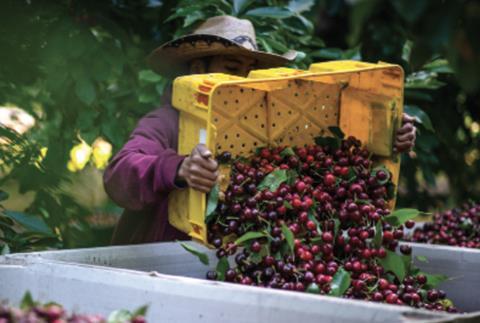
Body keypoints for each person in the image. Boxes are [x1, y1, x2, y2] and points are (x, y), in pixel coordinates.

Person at [103, 16, 416, 245]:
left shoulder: (261, 127)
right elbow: (119, 174)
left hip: (233, 258)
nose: (241, 79)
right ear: (197, 69)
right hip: (164, 266)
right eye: (231, 67)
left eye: (247, 70)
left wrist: (388, 138)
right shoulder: (167, 121)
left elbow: (328, 159)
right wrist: (179, 167)